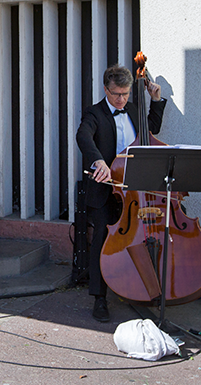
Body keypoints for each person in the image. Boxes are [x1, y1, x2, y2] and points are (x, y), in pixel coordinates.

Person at [75, 64, 166, 322]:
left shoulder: (133, 109)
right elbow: (84, 136)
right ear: (106, 89)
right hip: (105, 188)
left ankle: (142, 287)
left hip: (135, 190)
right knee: (103, 238)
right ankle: (99, 298)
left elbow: (151, 132)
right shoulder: (94, 113)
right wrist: (98, 161)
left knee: (139, 236)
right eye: (116, 94)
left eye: (125, 94)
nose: (122, 99)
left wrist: (156, 100)